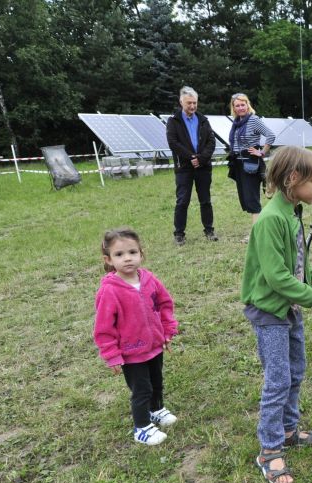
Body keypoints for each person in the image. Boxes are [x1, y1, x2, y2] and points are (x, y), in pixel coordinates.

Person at [241, 146, 312, 483]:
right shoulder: (271, 219)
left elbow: (296, 264)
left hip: (289, 306)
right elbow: (276, 276)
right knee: (278, 379)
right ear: (292, 179)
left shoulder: (292, 212)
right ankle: (269, 450)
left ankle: (288, 430)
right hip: (270, 310)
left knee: (295, 371)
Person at [94, 228, 178, 446]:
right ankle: (141, 427)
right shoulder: (110, 291)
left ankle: (156, 409)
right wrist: (112, 355)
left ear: (142, 253)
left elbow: (164, 304)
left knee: (157, 382)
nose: (127, 258)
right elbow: (103, 328)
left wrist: (167, 331)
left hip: (155, 346)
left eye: (132, 252)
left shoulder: (149, 279)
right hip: (131, 353)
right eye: (119, 255)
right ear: (108, 259)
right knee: (141, 390)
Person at [166, 86, 218, 246]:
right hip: (184, 168)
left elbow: (211, 141)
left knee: (206, 200)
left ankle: (209, 230)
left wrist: (201, 159)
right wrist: (191, 157)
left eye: (195, 103)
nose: (192, 106)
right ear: (181, 102)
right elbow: (173, 143)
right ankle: (179, 234)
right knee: (182, 201)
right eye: (189, 103)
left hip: (203, 166)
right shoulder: (173, 121)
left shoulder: (203, 120)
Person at [227, 93, 275, 235]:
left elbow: (271, 135)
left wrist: (262, 152)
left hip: (250, 164)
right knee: (246, 198)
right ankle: (257, 230)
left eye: (243, 104)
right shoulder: (236, 122)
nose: (241, 108)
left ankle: (255, 234)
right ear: (233, 108)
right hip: (238, 164)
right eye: (237, 105)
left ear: (248, 105)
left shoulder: (253, 120)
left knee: (252, 199)